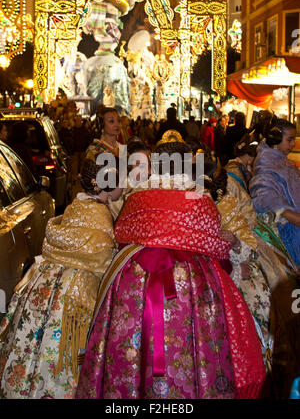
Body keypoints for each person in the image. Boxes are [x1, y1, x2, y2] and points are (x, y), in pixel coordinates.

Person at [76, 140, 266, 400]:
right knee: (195, 345)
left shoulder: (138, 195)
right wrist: (230, 246)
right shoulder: (197, 195)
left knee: (130, 345)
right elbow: (213, 242)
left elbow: (122, 233)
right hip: (190, 281)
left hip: (136, 279)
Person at [0, 157, 122, 399]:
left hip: (47, 282)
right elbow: (103, 257)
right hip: (75, 295)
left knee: (36, 341)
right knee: (64, 351)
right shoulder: (100, 215)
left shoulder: (76, 207)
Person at [250, 119, 300, 268]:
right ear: (276, 139)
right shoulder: (266, 162)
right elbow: (263, 196)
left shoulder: (278, 159)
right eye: (289, 140)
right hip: (289, 230)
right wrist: (291, 215)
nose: (293, 145)